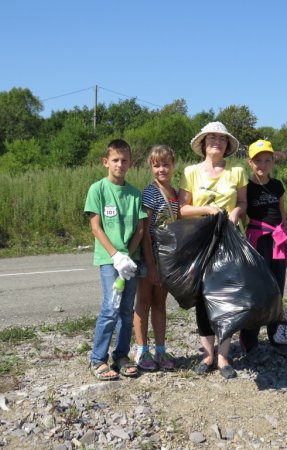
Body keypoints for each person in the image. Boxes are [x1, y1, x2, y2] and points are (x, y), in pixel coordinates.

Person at [178, 121, 247, 379]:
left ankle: (223, 356)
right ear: (203, 144)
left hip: (228, 240)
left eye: (222, 138)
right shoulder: (191, 172)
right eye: (212, 138)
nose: (217, 142)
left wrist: (235, 214)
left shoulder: (237, 172)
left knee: (228, 295)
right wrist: (207, 210)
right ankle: (207, 353)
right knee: (202, 296)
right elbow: (183, 209)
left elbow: (242, 202)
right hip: (200, 241)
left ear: (227, 145)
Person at [84, 139, 147, 381]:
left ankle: (121, 356)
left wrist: (128, 257)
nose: (120, 164)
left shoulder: (134, 193)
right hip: (110, 259)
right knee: (111, 307)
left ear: (130, 163)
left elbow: (140, 230)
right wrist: (115, 255)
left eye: (124, 160)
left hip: (129, 261)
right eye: (115, 160)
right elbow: (96, 227)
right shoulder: (97, 189)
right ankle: (97, 359)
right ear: (106, 162)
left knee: (126, 311)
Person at [239, 139, 287, 358]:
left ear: (273, 161)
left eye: (267, 160)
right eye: (257, 161)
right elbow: (242, 216)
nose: (262, 165)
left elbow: (283, 216)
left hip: (278, 241)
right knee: (256, 291)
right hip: (256, 240)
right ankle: (249, 341)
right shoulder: (246, 187)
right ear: (250, 162)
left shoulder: (278, 186)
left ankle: (277, 337)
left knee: (276, 290)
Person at [133, 145, 179, 371]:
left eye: (166, 164)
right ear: (151, 167)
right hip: (148, 257)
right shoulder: (149, 193)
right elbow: (145, 231)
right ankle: (141, 350)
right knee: (143, 302)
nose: (162, 169)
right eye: (156, 165)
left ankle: (160, 350)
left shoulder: (176, 193)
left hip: (167, 260)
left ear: (173, 165)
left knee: (160, 303)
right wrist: (150, 265)